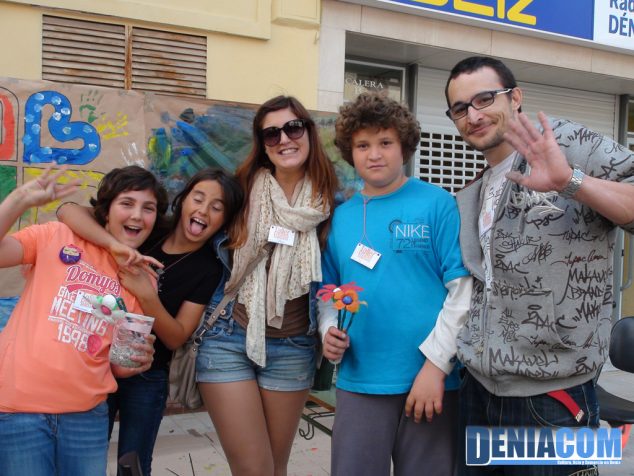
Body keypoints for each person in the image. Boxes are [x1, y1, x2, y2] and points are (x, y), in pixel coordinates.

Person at [444, 56, 634, 475]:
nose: (473, 115)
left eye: (484, 98)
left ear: (516, 97)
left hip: (554, 400)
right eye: (460, 108)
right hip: (478, 390)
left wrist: (572, 182)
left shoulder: (569, 143)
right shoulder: (475, 188)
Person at [320, 91, 472, 476]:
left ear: (404, 146)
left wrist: (436, 367)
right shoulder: (339, 218)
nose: (374, 154)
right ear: (349, 152)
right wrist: (327, 331)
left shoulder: (437, 204)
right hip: (360, 381)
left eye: (385, 142)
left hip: (429, 383)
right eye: (363, 145)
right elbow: (328, 293)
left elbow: (463, 292)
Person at [58, 167, 243, 476]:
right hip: (97, 361)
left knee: (133, 465)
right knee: (83, 456)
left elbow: (177, 336)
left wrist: (147, 295)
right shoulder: (147, 228)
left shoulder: (208, 268)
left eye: (217, 206)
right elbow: (67, 210)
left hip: (147, 374)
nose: (203, 210)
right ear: (182, 202)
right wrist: (115, 245)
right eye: (198, 198)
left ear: (225, 220)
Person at [195, 95, 338, 476]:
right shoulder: (238, 192)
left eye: (293, 128)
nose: (284, 139)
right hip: (228, 337)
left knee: (275, 468)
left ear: (308, 131)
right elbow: (187, 235)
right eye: (271, 133)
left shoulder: (330, 205)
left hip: (292, 345)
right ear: (262, 143)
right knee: (254, 470)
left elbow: (337, 279)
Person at [0, 165, 162, 476]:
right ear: (106, 210)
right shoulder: (56, 235)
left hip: (86, 417)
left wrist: (139, 360)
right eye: (127, 203)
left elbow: (120, 365)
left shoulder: (143, 278)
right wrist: (19, 199)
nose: (137, 216)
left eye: (148, 208)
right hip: (19, 409)